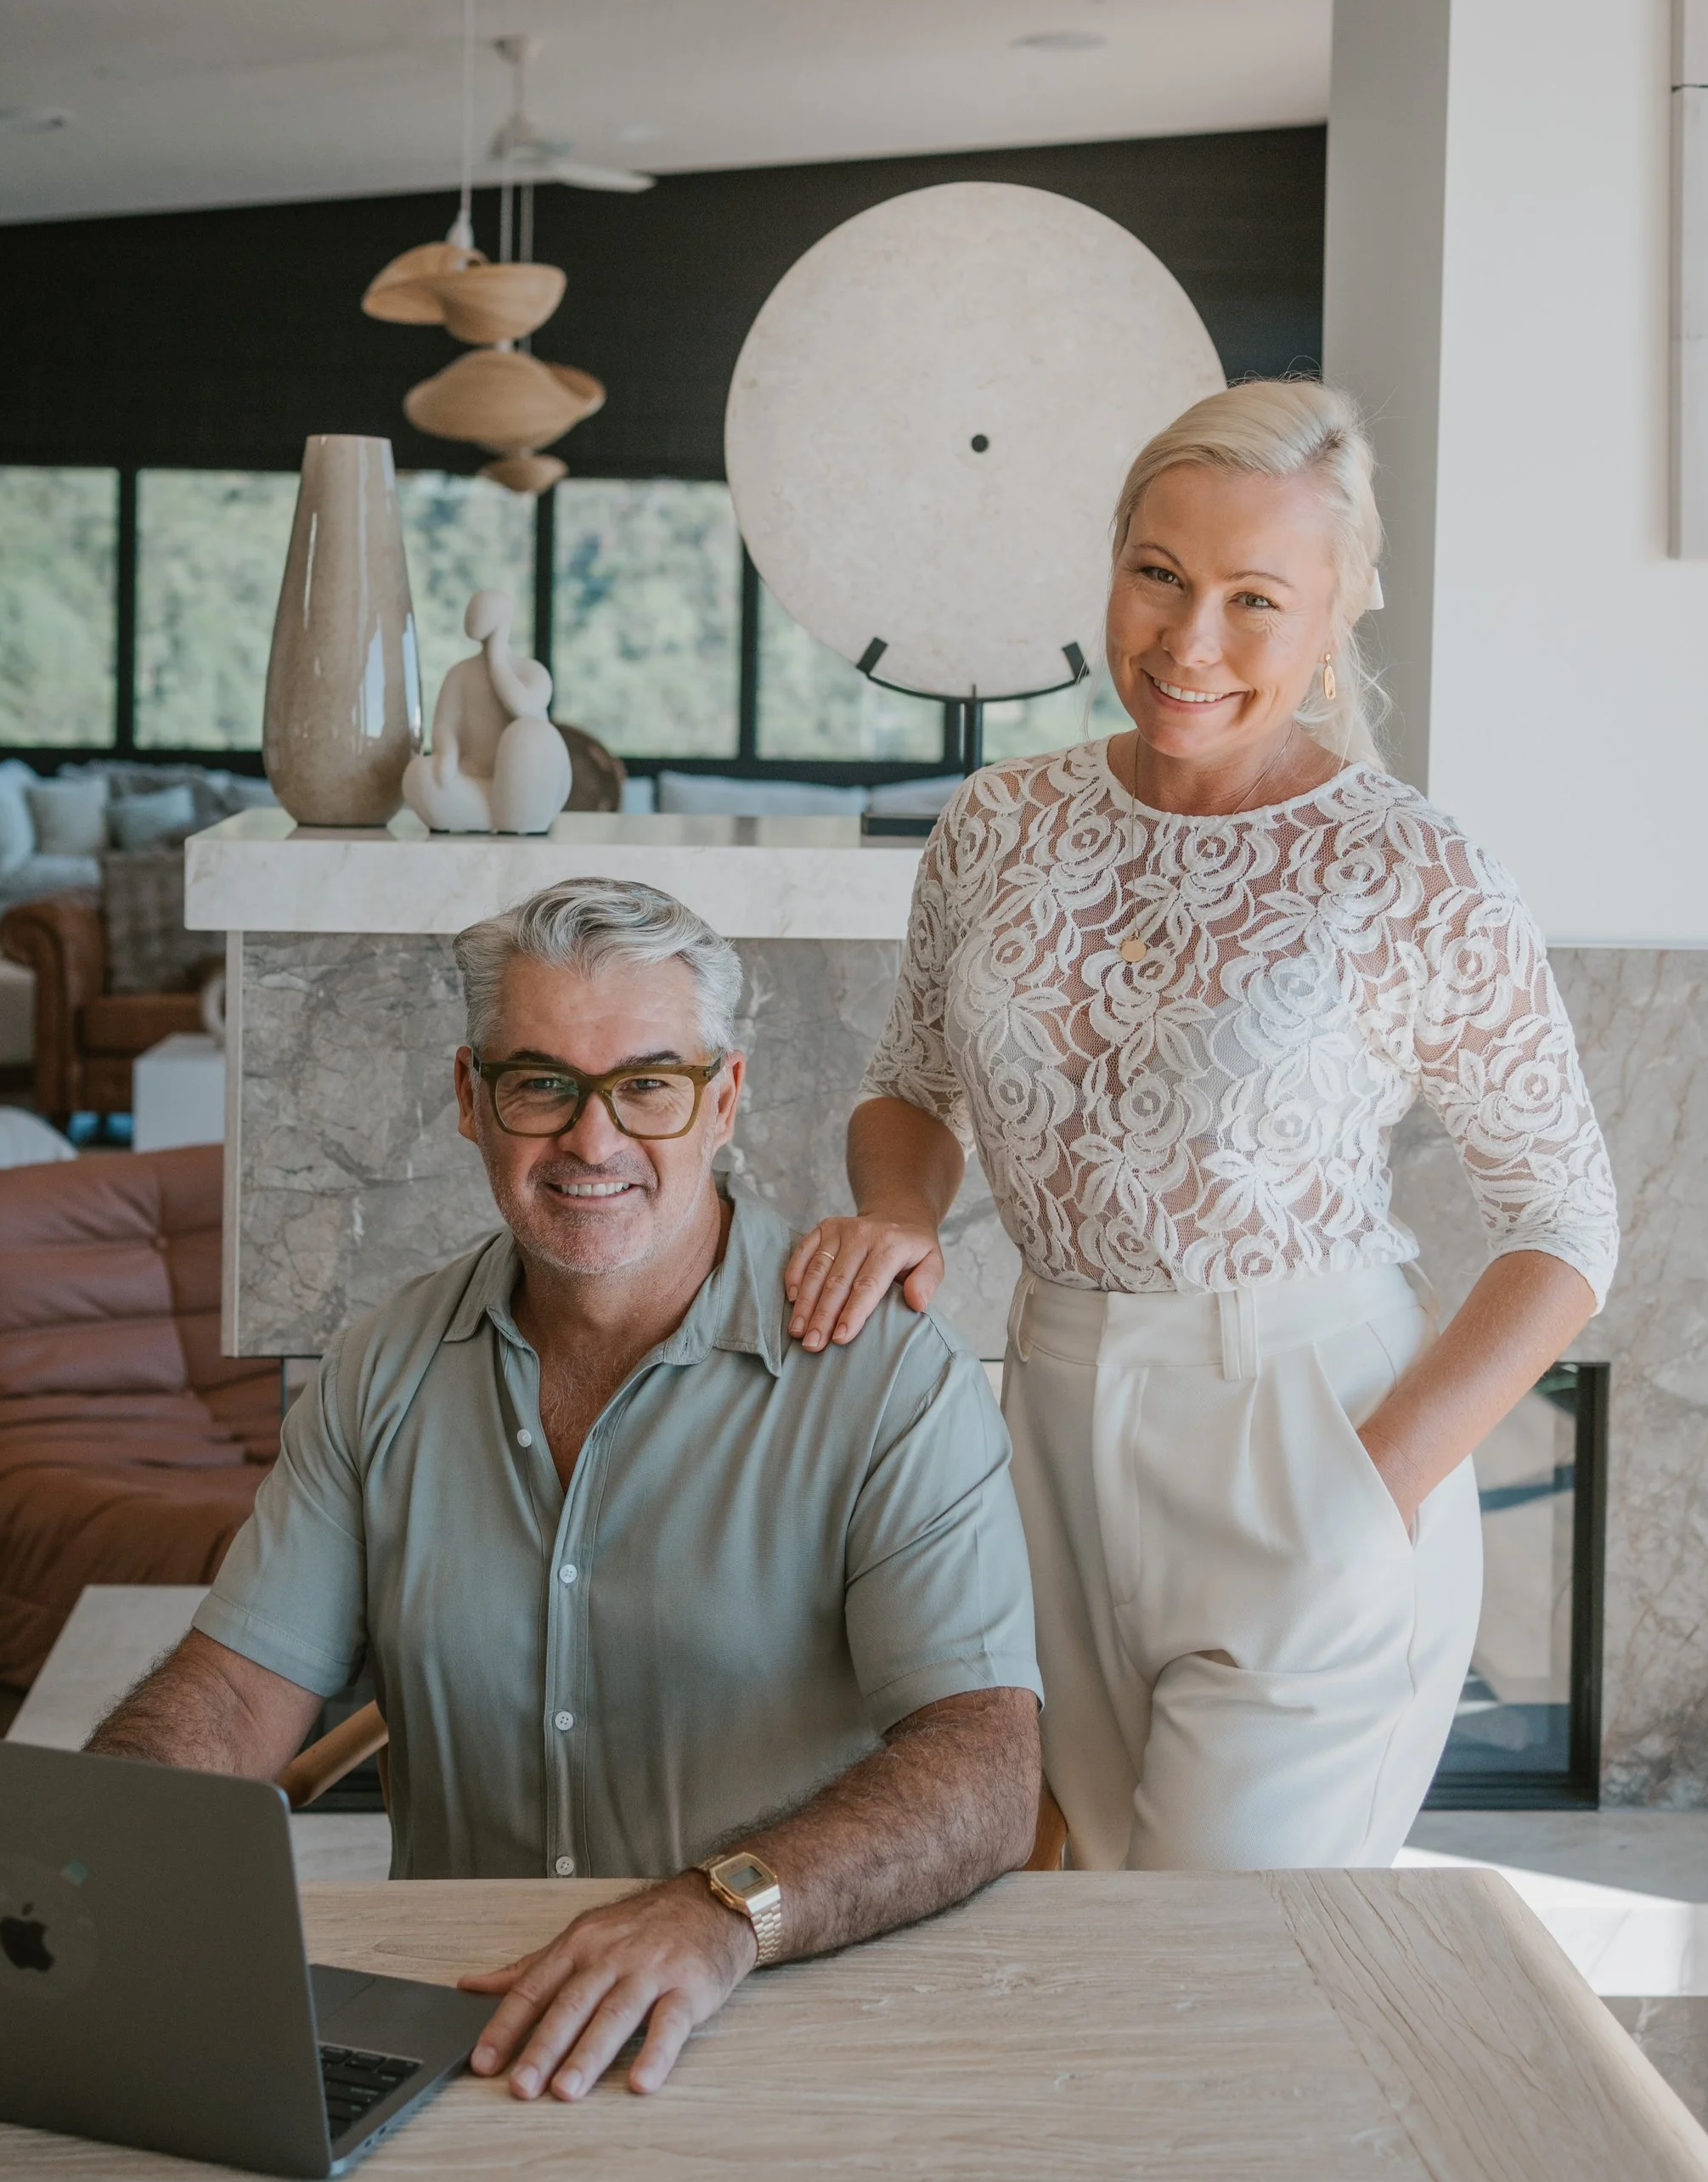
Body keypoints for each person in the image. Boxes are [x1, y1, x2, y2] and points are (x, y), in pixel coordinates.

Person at [784, 381, 1618, 1875]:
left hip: (1308, 1445)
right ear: (1113, 560)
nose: (1190, 643)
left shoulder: (1413, 867)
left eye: (1255, 597)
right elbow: (911, 1083)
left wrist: (1379, 1481)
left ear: (1334, 613)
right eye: (1159, 573)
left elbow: (1567, 1223)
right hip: (1040, 1434)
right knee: (1096, 1945)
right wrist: (902, 1213)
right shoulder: (996, 824)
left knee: (1221, 1970)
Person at [89, 878, 1041, 2100]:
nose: (593, 1141)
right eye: (542, 1083)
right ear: (470, 1099)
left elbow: (986, 1765)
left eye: (648, 1082)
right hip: (457, 2045)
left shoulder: (889, 1380)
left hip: (778, 2035)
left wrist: (720, 1910)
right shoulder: (382, 1368)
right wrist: (90, 1846)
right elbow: (231, 1693)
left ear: (724, 1097)